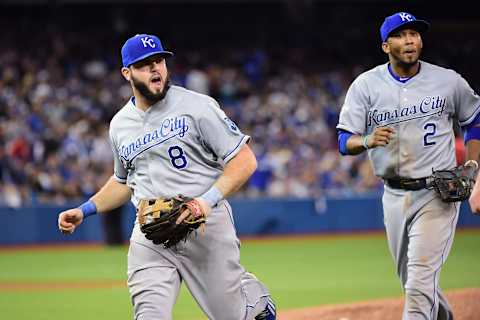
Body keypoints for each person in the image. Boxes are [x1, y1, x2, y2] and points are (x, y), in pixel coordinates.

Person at [58, 34, 276, 320]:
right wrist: (84, 209)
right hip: (151, 232)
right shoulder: (120, 125)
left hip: (204, 225)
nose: (155, 68)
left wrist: (205, 202)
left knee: (233, 316)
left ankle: (254, 300)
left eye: (158, 61)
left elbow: (245, 161)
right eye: (144, 64)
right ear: (127, 73)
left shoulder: (197, 106)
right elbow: (124, 181)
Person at [336, 12, 480, 320]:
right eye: (401, 35)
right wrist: (366, 140)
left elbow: (475, 120)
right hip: (393, 196)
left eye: (414, 33)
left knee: (418, 282)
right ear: (386, 46)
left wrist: (473, 165)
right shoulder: (366, 85)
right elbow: (343, 141)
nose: (410, 40)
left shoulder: (447, 80)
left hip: (437, 193)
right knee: (411, 281)